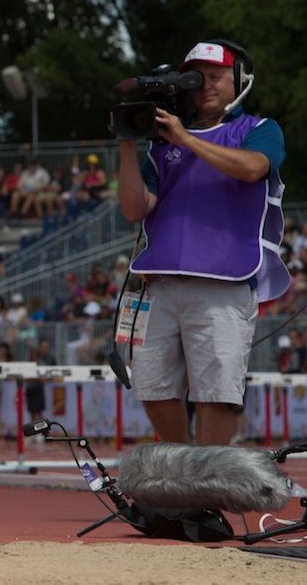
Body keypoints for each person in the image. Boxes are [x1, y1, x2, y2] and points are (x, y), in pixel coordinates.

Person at [117, 39, 288, 446]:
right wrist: (126, 141)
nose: (206, 86)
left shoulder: (259, 129)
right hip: (158, 282)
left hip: (224, 281)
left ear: (240, 80)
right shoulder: (162, 145)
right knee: (152, 389)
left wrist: (185, 139)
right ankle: (185, 474)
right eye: (197, 79)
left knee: (216, 397)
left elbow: (253, 169)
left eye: (216, 77)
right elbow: (134, 208)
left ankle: (206, 492)